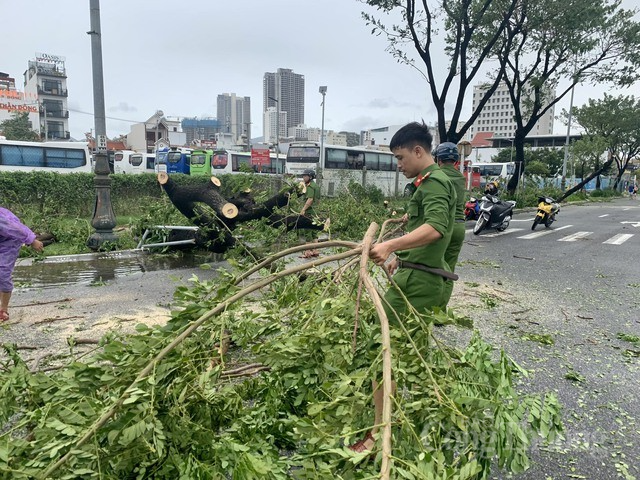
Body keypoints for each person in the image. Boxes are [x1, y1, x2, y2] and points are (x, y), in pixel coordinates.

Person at [349, 123, 457, 454]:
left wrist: (392, 244)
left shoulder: (435, 183)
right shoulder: (427, 184)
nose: (398, 165)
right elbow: (426, 231)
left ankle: (380, 435)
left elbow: (437, 228)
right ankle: (405, 424)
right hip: (417, 275)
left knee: (384, 352)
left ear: (418, 151)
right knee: (403, 355)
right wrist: (403, 257)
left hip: (421, 285)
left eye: (400, 158)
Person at [434, 141, 466, 307]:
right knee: (448, 269)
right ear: (455, 161)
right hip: (459, 227)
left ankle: (427, 307)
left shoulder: (437, 176)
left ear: (438, 159)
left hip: (442, 227)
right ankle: (440, 311)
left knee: (431, 267)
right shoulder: (461, 178)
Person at [0, 207, 44, 322]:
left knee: (2, 273)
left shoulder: (3, 220)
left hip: (10, 240)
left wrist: (32, 240)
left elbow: (15, 228)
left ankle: (3, 310)